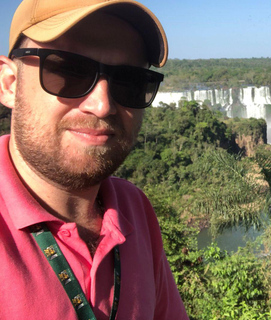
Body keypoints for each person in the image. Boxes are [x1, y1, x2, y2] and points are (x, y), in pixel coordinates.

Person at [0, 0, 189, 319]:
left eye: (129, 81)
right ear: (9, 83)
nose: (102, 105)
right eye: (68, 71)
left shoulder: (133, 208)